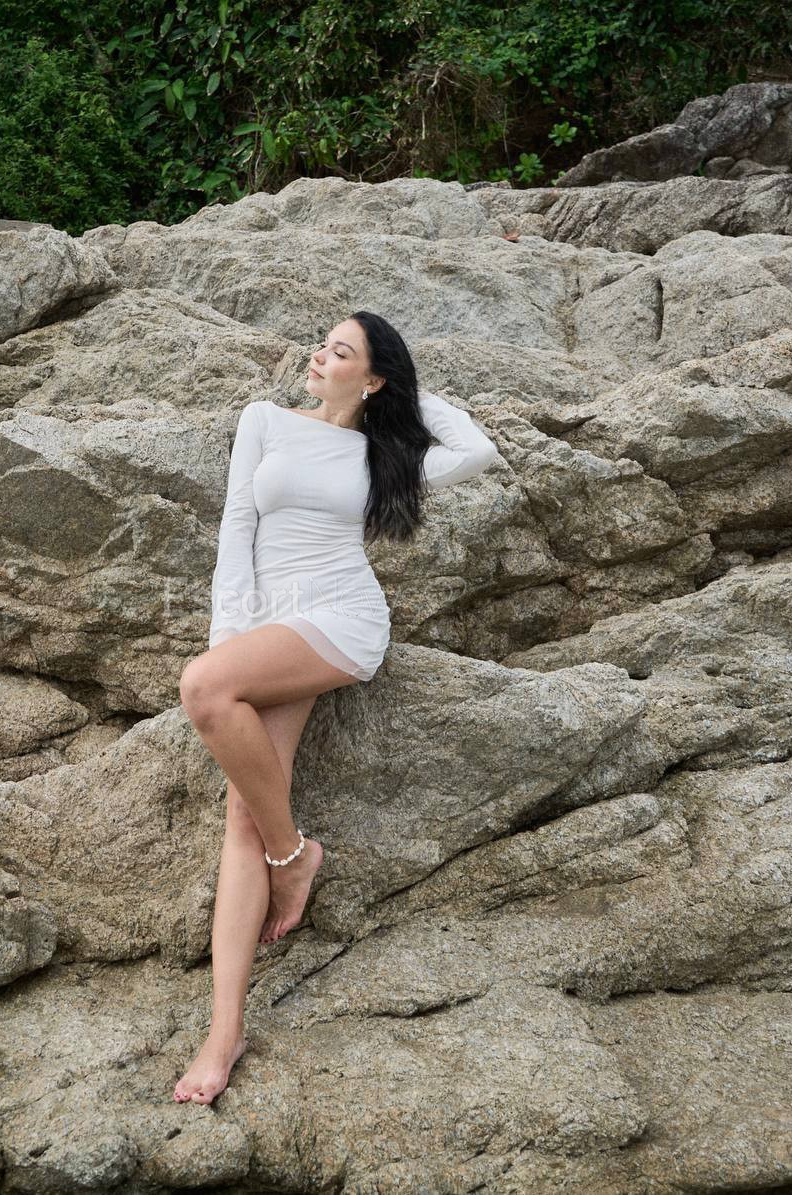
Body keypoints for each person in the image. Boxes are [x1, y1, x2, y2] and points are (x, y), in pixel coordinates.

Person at [174, 311, 503, 1105]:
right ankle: (226, 1029)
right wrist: (231, 646)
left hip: (339, 620)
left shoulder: (383, 455)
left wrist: (407, 399)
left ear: (374, 377)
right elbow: (237, 531)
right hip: (268, 627)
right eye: (324, 344)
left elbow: (478, 449)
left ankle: (293, 858)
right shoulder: (264, 420)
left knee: (201, 689)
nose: (320, 356)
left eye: (342, 352)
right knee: (242, 811)